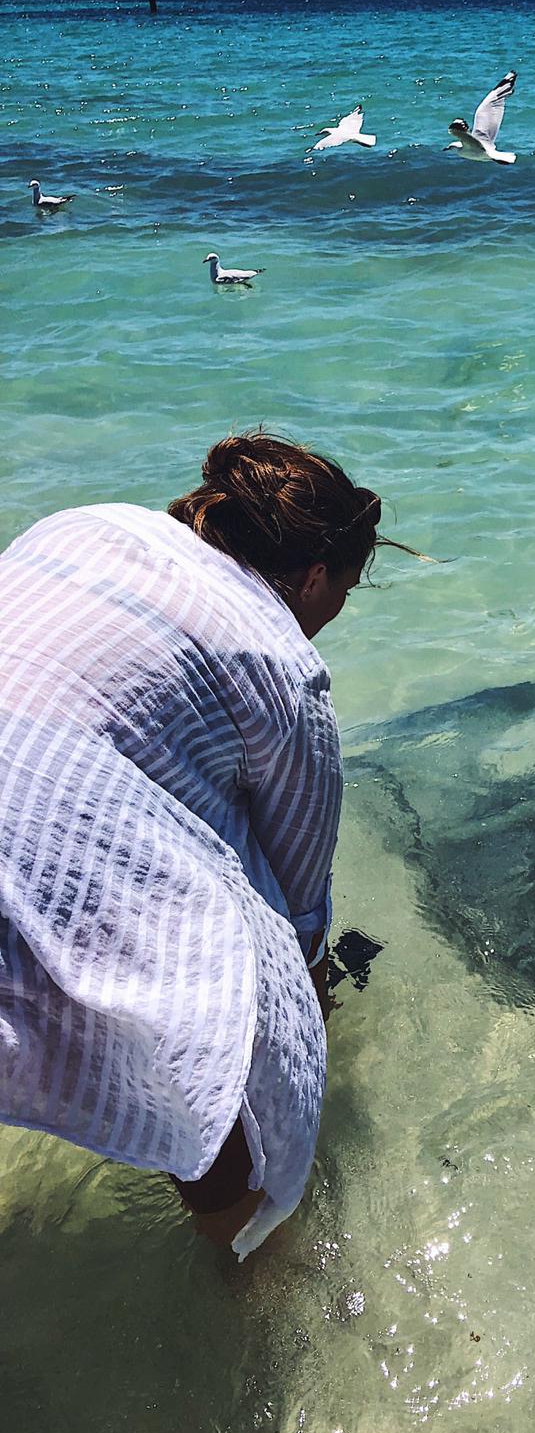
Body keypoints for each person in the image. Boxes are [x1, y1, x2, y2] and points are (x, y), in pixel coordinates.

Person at [0, 432, 416, 1256]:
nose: (336, 611)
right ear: (312, 578)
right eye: (347, 589)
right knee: (215, 1060)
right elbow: (294, 906)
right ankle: (254, 1280)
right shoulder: (283, 665)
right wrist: (310, 1011)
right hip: (26, 838)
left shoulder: (87, 525)